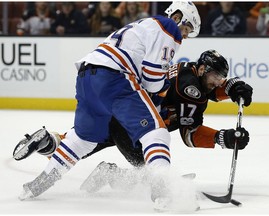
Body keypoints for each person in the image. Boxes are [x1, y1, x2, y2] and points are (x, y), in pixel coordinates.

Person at [15, 1, 201, 209]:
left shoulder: (143, 25)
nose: (184, 36)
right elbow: (152, 79)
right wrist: (164, 87)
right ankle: (163, 193)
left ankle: (35, 185)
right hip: (114, 78)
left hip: (87, 77)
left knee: (82, 140)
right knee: (156, 131)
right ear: (178, 17)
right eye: (187, 29)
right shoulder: (168, 26)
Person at [14, 50, 252, 194]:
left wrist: (223, 136)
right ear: (201, 69)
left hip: (118, 118)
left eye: (221, 78)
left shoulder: (192, 85)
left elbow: (190, 133)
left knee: (73, 148)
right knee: (151, 168)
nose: (218, 81)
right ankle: (108, 175)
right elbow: (197, 98)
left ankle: (47, 141)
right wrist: (228, 90)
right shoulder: (189, 83)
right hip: (133, 124)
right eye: (215, 77)